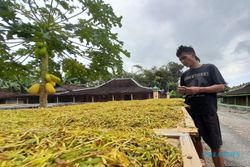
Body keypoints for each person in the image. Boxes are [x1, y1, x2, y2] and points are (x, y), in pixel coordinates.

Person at [176, 45, 226, 167]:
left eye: (184, 57)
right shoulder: (185, 75)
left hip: (208, 113)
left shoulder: (210, 68)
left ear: (193, 55)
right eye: (180, 60)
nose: (183, 61)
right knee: (196, 143)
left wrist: (198, 89)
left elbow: (221, 87)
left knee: (215, 146)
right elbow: (186, 91)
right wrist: (183, 91)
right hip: (190, 115)